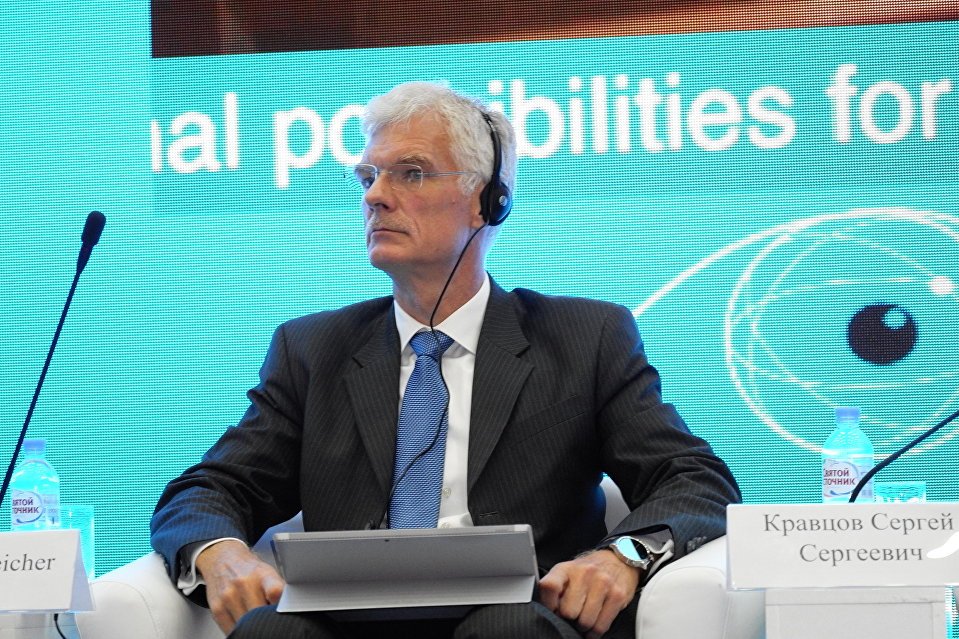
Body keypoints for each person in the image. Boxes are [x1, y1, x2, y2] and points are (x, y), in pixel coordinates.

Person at [150, 81, 741, 639]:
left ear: (486, 201)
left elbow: (693, 479)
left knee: (506, 631)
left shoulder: (585, 338)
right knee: (268, 631)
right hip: (349, 622)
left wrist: (623, 556)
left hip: (518, 616)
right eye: (368, 177)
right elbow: (211, 489)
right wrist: (219, 553)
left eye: (410, 173)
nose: (375, 196)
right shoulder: (312, 349)